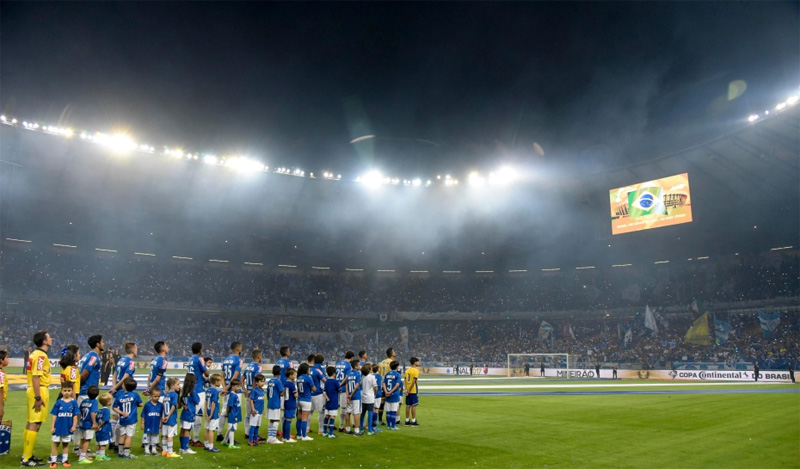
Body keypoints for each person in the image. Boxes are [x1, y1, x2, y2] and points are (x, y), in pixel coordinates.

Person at [23, 330, 53, 467]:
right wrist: (38, 397)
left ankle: (27, 455)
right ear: (44, 341)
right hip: (38, 389)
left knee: (31, 422)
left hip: (34, 389)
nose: (51, 339)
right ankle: (27, 458)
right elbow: (36, 376)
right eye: (49, 337)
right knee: (35, 423)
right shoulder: (40, 356)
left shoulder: (35, 354)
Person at [76, 335, 104, 453]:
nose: (104, 343)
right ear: (97, 344)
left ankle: (79, 447)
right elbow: (84, 374)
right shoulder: (93, 357)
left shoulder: (87, 355)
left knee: (81, 420)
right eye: (102, 342)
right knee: (86, 421)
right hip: (87, 392)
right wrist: (79, 387)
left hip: (84, 391)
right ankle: (80, 448)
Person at [109, 342, 136, 450]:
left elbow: (114, 373)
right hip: (123, 392)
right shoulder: (130, 362)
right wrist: (117, 387)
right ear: (133, 349)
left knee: (115, 418)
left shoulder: (121, 360)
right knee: (122, 419)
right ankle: (117, 444)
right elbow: (125, 376)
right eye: (136, 348)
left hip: (117, 391)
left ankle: (111, 441)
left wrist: (114, 386)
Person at [48, 382, 79, 468]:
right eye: (65, 390)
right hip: (58, 427)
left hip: (68, 428)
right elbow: (54, 415)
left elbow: (75, 416)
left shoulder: (74, 403)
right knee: (55, 444)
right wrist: (52, 426)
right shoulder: (58, 402)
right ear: (61, 391)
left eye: (69, 390)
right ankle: (53, 461)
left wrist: (74, 426)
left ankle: (65, 460)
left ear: (72, 391)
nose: (67, 392)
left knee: (65, 444)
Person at [112, 378, 142, 459]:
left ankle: (120, 452)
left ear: (123, 386)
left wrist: (121, 413)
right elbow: (141, 404)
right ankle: (126, 453)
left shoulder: (119, 396)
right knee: (129, 436)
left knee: (122, 435)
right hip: (131, 419)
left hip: (122, 419)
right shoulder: (135, 395)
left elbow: (114, 407)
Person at [188, 343, 209, 447]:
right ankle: (195, 439)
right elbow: (206, 373)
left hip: (190, 388)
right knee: (198, 414)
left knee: (191, 413)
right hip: (199, 389)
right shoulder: (199, 359)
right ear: (200, 350)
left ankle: (188, 438)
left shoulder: (190, 359)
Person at [220, 342, 242, 443]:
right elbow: (235, 376)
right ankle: (229, 437)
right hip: (234, 389)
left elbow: (222, 375)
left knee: (224, 411)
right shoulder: (238, 360)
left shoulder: (226, 359)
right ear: (238, 349)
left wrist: (224, 387)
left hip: (227, 389)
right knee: (233, 411)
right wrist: (228, 388)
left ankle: (220, 434)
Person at [241, 349, 262, 438]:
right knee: (255, 413)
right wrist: (253, 390)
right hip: (254, 393)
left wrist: (244, 390)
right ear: (258, 357)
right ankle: (252, 434)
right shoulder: (258, 367)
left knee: (248, 414)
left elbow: (242, 378)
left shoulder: (248, 366)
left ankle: (247, 433)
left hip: (247, 393)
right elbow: (256, 379)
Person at [77, 385, 99, 464]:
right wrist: (94, 423)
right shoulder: (94, 402)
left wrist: (78, 421)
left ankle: (80, 453)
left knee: (82, 439)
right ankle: (82, 458)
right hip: (89, 423)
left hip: (82, 422)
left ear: (87, 393)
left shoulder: (84, 401)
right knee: (87, 440)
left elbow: (79, 412)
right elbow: (93, 412)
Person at [178, 374, 199, 455]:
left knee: (183, 429)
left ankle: (182, 447)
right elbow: (197, 401)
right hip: (190, 413)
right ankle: (185, 448)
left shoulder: (184, 390)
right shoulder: (192, 391)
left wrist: (183, 405)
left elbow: (181, 400)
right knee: (187, 430)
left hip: (184, 413)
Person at [160, 377, 181, 457]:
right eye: (178, 384)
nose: (179, 386)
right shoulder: (174, 394)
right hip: (170, 418)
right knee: (170, 435)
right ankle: (170, 451)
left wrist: (163, 416)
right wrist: (168, 416)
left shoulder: (166, 395)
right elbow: (173, 406)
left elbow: (163, 406)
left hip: (164, 418)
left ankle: (164, 451)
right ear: (172, 386)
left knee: (164, 435)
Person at [335, 351, 354, 432]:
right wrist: (340, 384)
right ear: (352, 357)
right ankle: (341, 426)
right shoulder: (349, 365)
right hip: (342, 388)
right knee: (344, 407)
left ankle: (330, 424)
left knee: (335, 407)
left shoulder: (338, 364)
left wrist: (337, 384)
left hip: (336, 387)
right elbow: (347, 377)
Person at [141, 388, 163, 456]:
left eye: (158, 396)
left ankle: (154, 449)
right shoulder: (147, 405)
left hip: (155, 424)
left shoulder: (160, 405)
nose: (157, 398)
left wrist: (161, 423)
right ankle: (146, 449)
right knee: (147, 436)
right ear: (150, 396)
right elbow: (143, 414)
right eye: (155, 396)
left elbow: (161, 415)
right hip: (148, 424)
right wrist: (142, 423)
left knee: (155, 436)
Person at [203, 374, 223, 453]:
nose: (221, 382)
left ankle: (206, 444)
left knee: (207, 429)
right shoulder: (215, 391)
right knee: (212, 430)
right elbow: (213, 403)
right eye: (220, 381)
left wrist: (206, 413)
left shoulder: (208, 390)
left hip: (207, 412)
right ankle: (211, 446)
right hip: (213, 413)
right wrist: (211, 414)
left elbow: (205, 401)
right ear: (216, 381)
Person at [296, 364, 315, 441]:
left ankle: (299, 434)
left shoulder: (298, 378)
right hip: (306, 400)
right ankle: (304, 436)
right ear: (306, 370)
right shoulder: (308, 378)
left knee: (299, 418)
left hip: (299, 399)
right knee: (304, 418)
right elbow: (313, 388)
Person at [266, 366, 284, 444]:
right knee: (276, 420)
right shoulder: (278, 381)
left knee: (271, 420)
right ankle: (273, 438)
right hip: (276, 402)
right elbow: (281, 393)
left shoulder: (270, 381)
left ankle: (270, 437)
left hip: (270, 402)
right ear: (279, 372)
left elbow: (267, 393)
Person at [222, 379, 242, 449]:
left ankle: (224, 441)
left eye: (239, 386)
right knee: (232, 429)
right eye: (238, 386)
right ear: (233, 386)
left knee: (229, 428)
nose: (239, 388)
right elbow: (229, 405)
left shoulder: (234, 394)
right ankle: (231, 444)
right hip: (233, 414)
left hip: (234, 414)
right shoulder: (233, 395)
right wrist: (227, 413)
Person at [382, 360, 402, 430]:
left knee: (388, 411)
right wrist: (390, 392)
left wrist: (386, 391)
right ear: (396, 367)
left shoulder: (387, 374)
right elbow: (397, 385)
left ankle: (388, 425)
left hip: (387, 395)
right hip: (394, 395)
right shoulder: (397, 374)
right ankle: (393, 426)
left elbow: (383, 383)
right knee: (393, 411)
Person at [377, 348, 395, 425]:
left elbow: (379, 373)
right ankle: (391, 420)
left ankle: (380, 419)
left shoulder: (382, 362)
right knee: (391, 402)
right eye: (394, 351)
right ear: (391, 354)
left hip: (382, 383)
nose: (395, 352)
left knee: (382, 402)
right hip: (389, 384)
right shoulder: (392, 362)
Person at [93, 393, 113, 461]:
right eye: (111, 400)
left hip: (98, 431)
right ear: (108, 403)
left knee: (98, 443)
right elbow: (105, 420)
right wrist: (99, 426)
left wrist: (96, 427)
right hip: (104, 429)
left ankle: (97, 455)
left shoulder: (99, 411)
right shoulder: (106, 411)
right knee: (103, 444)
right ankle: (102, 456)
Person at [345, 358, 362, 436]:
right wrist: (351, 395)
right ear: (355, 366)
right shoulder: (357, 374)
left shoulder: (349, 374)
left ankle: (347, 429)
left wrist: (348, 396)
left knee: (348, 412)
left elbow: (347, 386)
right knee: (356, 413)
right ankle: (356, 430)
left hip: (349, 396)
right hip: (355, 396)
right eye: (359, 365)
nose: (360, 366)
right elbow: (356, 386)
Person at [247, 374, 265, 446]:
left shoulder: (262, 390)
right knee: (253, 426)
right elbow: (251, 400)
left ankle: (256, 439)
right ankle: (250, 440)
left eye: (263, 381)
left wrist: (263, 409)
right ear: (256, 382)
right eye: (261, 381)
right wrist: (253, 409)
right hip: (255, 412)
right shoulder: (254, 391)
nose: (263, 383)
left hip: (260, 411)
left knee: (257, 426)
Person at [310, 354, 327, 436]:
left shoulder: (309, 369)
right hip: (318, 393)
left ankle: (306, 428)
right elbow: (324, 379)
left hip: (309, 393)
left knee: (310, 411)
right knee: (321, 412)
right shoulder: (319, 369)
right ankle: (321, 429)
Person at [322, 366, 340, 438]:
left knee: (327, 416)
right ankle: (331, 433)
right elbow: (339, 389)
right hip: (333, 401)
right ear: (334, 373)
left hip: (328, 402)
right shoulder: (335, 381)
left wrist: (327, 398)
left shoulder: (326, 381)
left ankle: (325, 432)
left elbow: (324, 392)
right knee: (332, 416)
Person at [360, 363, 377, 435]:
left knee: (363, 413)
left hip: (363, 397)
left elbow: (360, 384)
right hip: (370, 397)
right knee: (370, 413)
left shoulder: (363, 377)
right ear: (369, 369)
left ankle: (361, 428)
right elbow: (375, 387)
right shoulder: (372, 377)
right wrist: (374, 393)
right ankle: (370, 430)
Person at [282, 369, 298, 444]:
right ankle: (287, 437)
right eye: (294, 375)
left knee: (286, 420)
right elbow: (295, 395)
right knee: (288, 420)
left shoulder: (285, 383)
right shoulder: (291, 384)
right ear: (290, 375)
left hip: (286, 402)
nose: (295, 376)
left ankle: (284, 436)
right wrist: (298, 391)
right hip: (291, 403)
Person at [404, 357, 420, 426]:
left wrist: (406, 390)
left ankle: (407, 420)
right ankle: (413, 421)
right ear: (415, 362)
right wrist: (410, 390)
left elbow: (404, 380)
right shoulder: (416, 371)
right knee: (414, 405)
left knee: (408, 405)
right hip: (413, 390)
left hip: (407, 389)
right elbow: (414, 381)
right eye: (418, 361)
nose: (418, 363)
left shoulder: (407, 370)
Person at [371, 363, 383, 433]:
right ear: (378, 369)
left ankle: (371, 425)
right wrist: (375, 394)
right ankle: (374, 426)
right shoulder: (379, 376)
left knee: (372, 410)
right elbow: (377, 386)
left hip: (371, 395)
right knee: (376, 410)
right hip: (377, 395)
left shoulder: (370, 375)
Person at [0, 350, 7, 424]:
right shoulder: (1, 373)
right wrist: (1, 408)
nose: (8, 360)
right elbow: (0, 390)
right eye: (6, 358)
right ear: (1, 360)